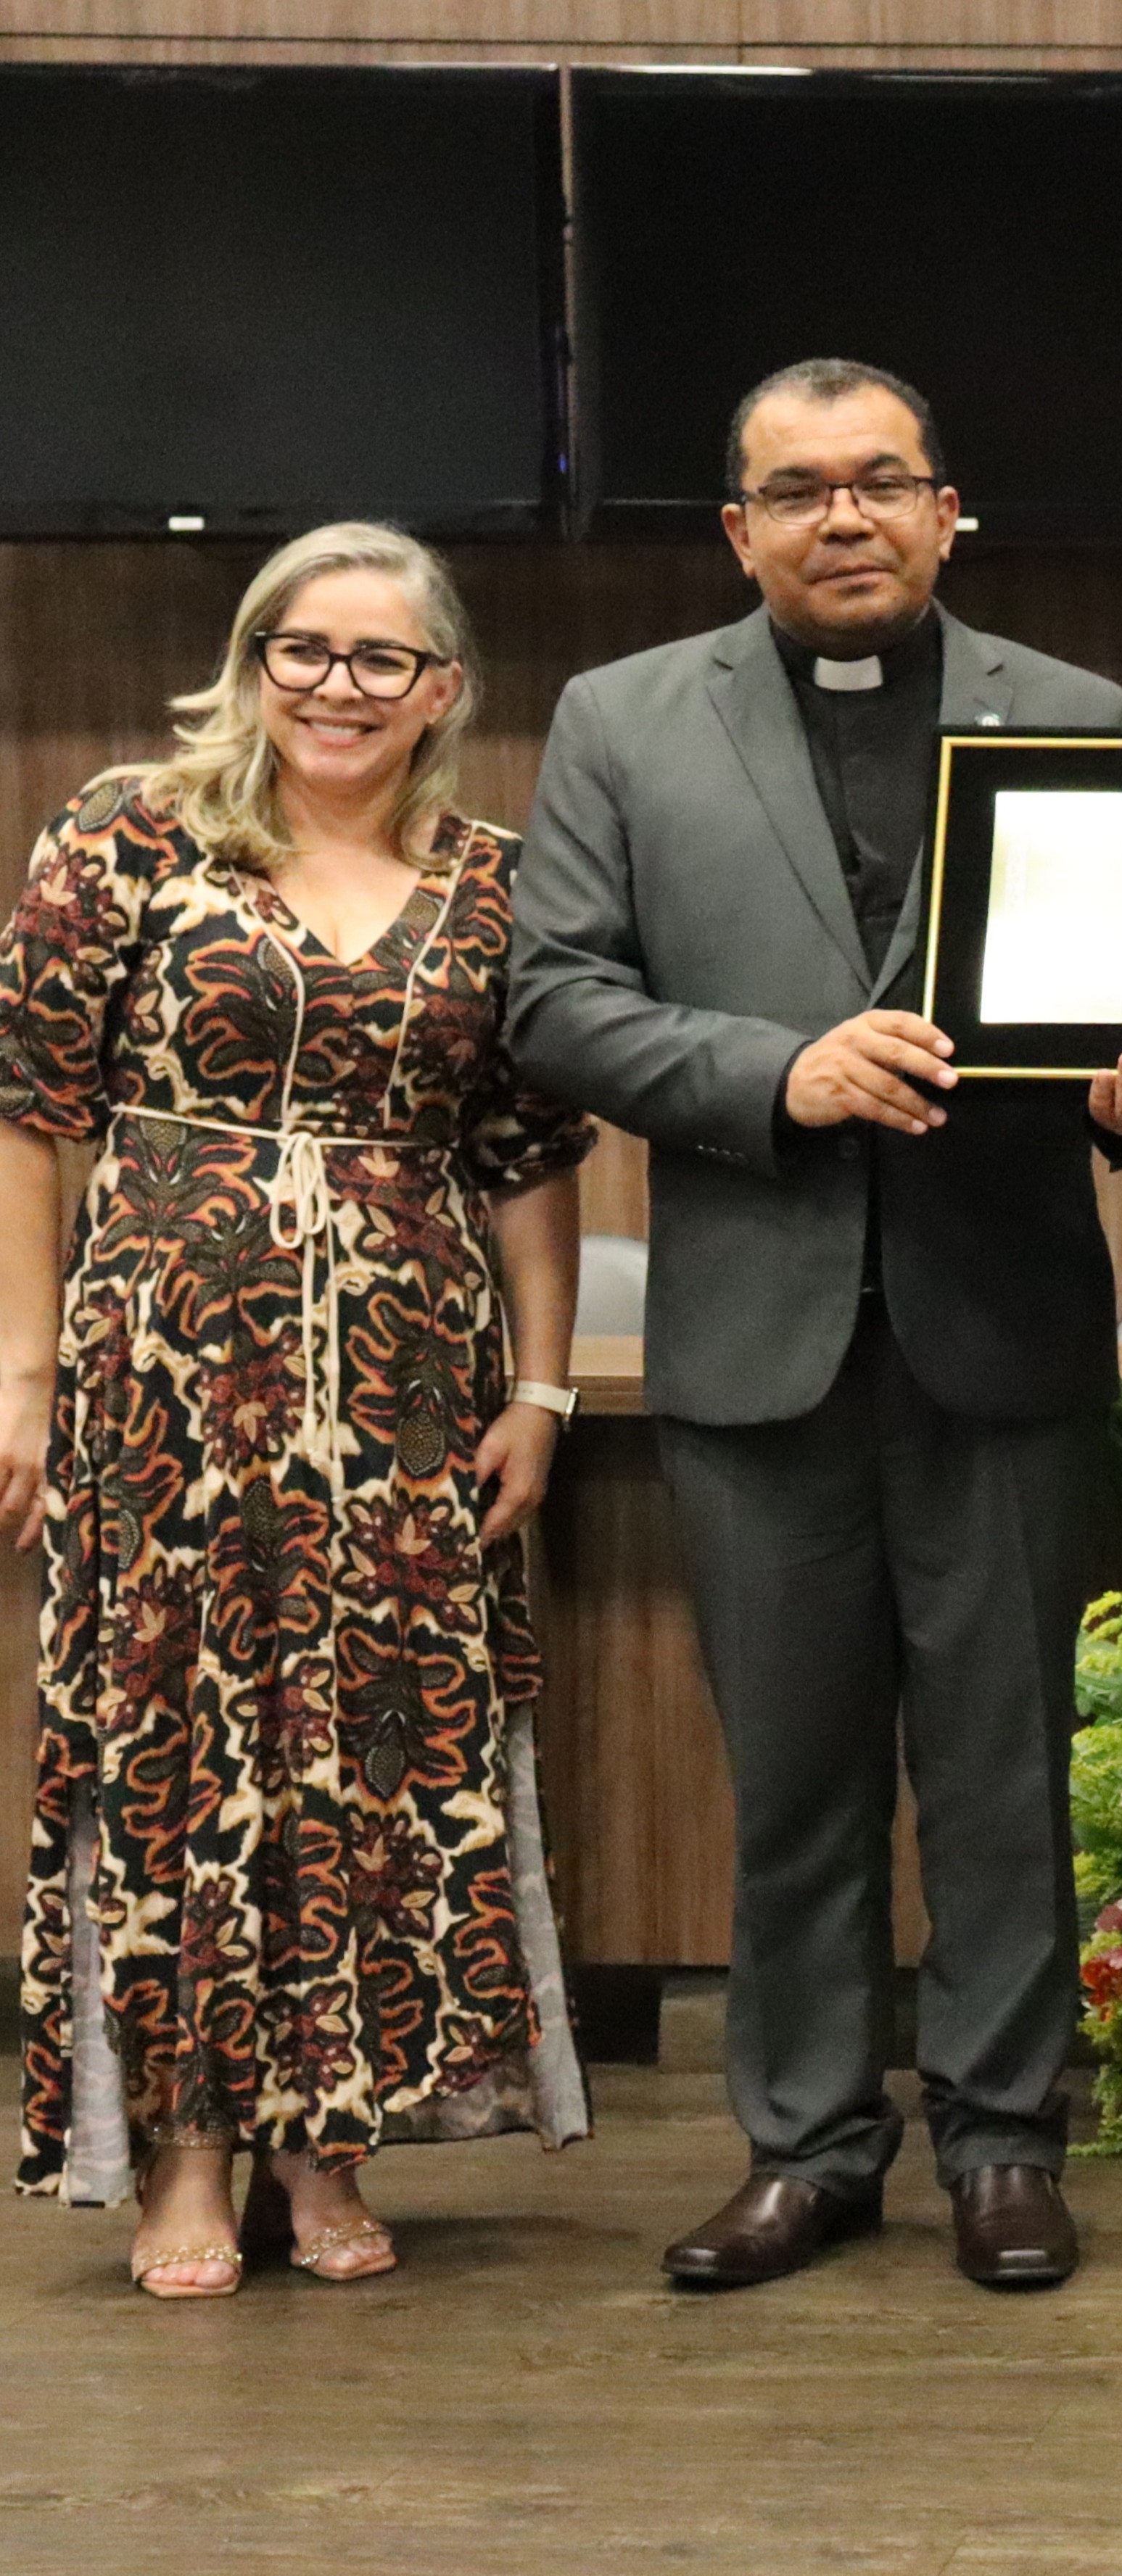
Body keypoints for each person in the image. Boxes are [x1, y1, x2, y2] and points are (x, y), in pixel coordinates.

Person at [512, 360, 1122, 2293]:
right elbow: (554, 1002)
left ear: (946, 509)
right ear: (739, 529)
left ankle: (1001, 2142)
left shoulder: (1079, 717)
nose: (844, 519)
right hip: (756, 1337)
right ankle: (804, 2146)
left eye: (882, 482)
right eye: (797, 492)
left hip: (1002, 1323)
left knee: (1003, 1764)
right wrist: (774, 1067)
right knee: (792, 1773)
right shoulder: (622, 720)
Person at [4, 523, 592, 2294]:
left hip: (413, 1388)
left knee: (373, 1752)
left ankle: (326, 2144)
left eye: (381, 658)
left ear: (443, 690)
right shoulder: (124, 833)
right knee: (188, 1746)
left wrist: (546, 1389)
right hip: (162, 1374)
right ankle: (186, 2156)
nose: (340, 687)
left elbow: (531, 1160)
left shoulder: (500, 880)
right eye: (305, 650)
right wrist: (23, 1376)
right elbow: (30, 1116)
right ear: (255, 662)